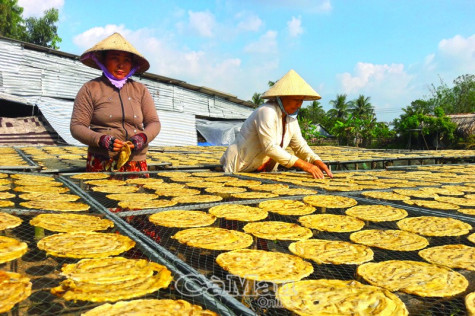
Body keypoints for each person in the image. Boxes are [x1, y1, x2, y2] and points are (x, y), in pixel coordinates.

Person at [70, 32, 160, 172]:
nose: (121, 65)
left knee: (137, 194)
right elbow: (77, 126)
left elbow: (154, 122)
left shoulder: (140, 90)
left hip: (136, 162)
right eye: (114, 58)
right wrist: (101, 140)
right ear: (103, 60)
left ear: (132, 65)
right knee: (100, 194)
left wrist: (142, 137)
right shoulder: (90, 89)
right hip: (102, 162)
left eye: (126, 60)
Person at [221, 69, 333, 179]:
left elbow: (299, 146)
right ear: (282, 97)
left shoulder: (291, 119)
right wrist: (305, 165)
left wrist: (316, 160)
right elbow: (269, 147)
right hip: (241, 167)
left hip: (263, 171)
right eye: (296, 99)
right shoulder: (267, 111)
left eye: (301, 100)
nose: (299, 105)